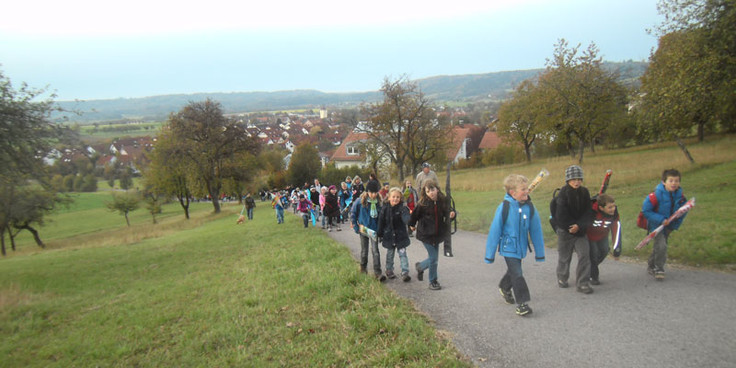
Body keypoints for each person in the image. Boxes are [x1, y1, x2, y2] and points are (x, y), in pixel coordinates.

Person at [484, 174, 545, 316]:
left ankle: (504, 287)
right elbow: (495, 231)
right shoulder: (504, 207)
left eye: (527, 188)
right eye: (523, 189)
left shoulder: (529, 207)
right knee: (518, 273)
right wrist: (489, 255)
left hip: (521, 248)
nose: (527, 191)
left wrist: (540, 252)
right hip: (508, 248)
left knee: (514, 271)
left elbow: (536, 230)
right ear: (513, 192)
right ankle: (522, 304)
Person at [409, 179, 455, 290]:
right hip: (425, 235)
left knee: (433, 258)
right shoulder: (423, 204)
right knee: (434, 259)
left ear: (437, 189)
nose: (431, 193)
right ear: (425, 193)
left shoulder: (442, 201)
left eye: (433, 190)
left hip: (437, 234)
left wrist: (451, 214)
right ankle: (433, 281)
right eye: (428, 191)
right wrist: (411, 225)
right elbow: (414, 216)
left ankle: (420, 267)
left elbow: (447, 213)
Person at [642, 169, 688, 281]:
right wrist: (661, 220)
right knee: (662, 246)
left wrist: (673, 226)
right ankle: (659, 268)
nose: (674, 183)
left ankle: (651, 264)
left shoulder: (681, 198)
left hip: (669, 227)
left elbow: (682, 213)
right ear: (664, 182)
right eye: (671, 180)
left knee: (660, 246)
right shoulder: (655, 196)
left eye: (676, 181)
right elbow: (646, 211)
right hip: (656, 226)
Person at [554, 165, 593, 294]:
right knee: (565, 256)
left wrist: (580, 226)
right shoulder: (563, 193)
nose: (576, 182)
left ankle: (583, 283)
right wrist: (571, 226)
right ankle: (562, 277)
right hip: (565, 231)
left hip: (580, 231)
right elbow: (561, 214)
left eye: (579, 179)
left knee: (584, 255)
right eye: (573, 179)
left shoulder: (585, 192)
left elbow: (588, 212)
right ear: (568, 180)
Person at [352, 179, 385, 281]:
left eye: (376, 192)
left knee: (375, 251)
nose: (373, 195)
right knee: (364, 251)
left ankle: (378, 273)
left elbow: (382, 218)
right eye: (371, 192)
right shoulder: (359, 201)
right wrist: (356, 227)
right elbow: (353, 214)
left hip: (374, 231)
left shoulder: (379, 203)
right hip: (363, 230)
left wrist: (381, 230)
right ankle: (363, 269)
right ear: (367, 192)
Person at [377, 187, 412, 282]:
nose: (395, 199)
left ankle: (405, 272)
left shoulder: (402, 208)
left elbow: (405, 216)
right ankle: (389, 270)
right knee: (390, 254)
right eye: (393, 197)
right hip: (389, 236)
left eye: (397, 197)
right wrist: (379, 233)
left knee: (403, 254)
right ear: (389, 197)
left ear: (400, 198)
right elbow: (381, 222)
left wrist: (408, 221)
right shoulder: (384, 209)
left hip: (400, 236)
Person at [586, 193, 622, 285]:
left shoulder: (614, 215)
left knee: (604, 251)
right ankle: (593, 276)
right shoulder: (591, 212)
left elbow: (616, 231)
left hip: (602, 235)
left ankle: (589, 268)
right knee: (593, 255)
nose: (613, 209)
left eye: (614, 206)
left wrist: (617, 250)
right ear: (601, 208)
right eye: (610, 207)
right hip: (589, 236)